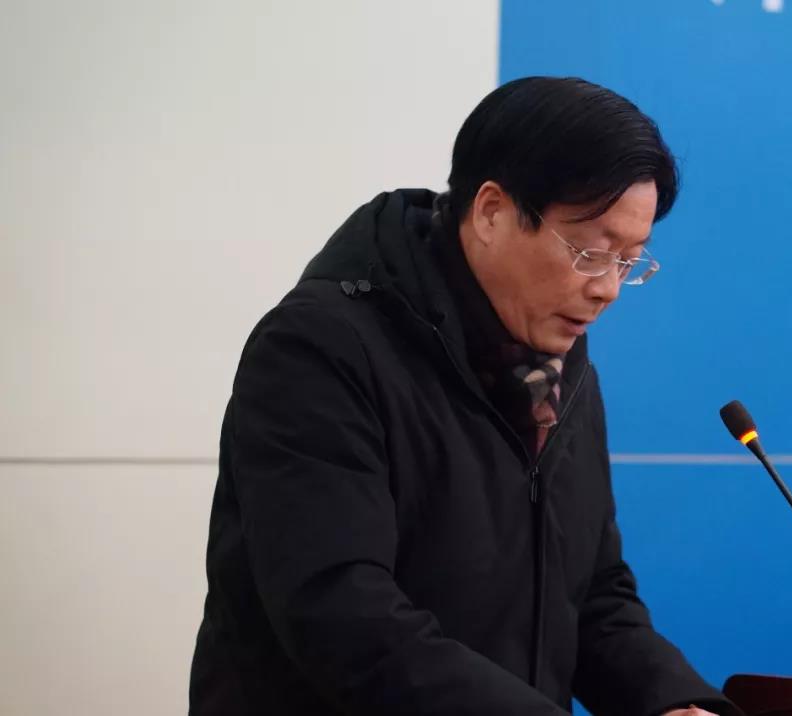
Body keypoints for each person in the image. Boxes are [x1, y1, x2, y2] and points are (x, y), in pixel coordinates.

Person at [189, 76, 740, 716]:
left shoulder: (558, 369)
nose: (608, 289)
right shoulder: (321, 349)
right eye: (591, 253)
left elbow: (592, 599)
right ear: (491, 212)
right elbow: (342, 615)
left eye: (629, 260)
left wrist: (673, 704)